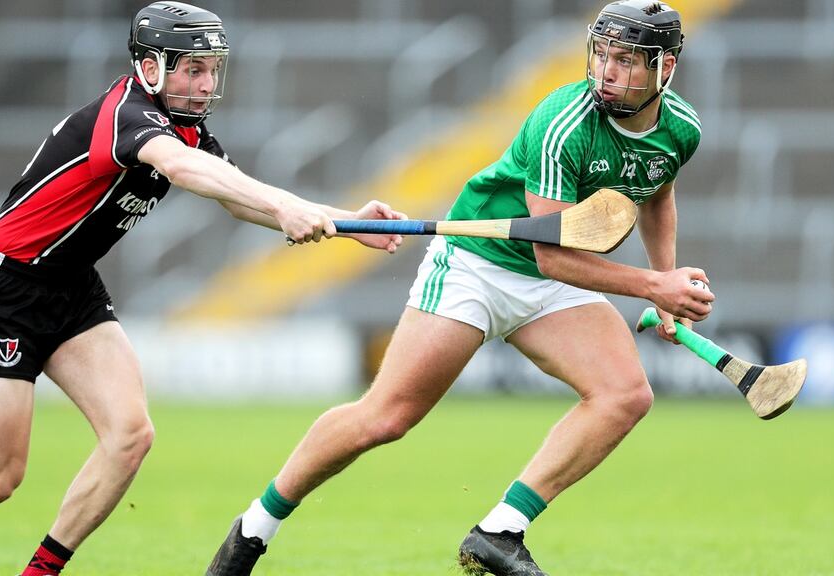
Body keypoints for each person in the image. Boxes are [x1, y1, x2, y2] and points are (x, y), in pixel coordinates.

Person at [0, 2, 405, 574]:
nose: (207, 84)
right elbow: (184, 171)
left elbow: (235, 196)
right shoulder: (129, 117)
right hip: (6, 286)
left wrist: (350, 222)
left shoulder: (186, 129)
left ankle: (41, 572)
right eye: (194, 69)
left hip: (72, 287)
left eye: (213, 70)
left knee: (129, 435)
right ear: (151, 67)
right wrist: (283, 207)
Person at [206, 1, 716, 575]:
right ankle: (253, 529)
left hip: (553, 281)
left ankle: (500, 532)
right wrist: (654, 286)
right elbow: (551, 255)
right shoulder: (564, 121)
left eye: (625, 60)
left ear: (664, 67)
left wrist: (665, 284)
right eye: (601, 54)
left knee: (625, 395)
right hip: (479, 264)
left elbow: (657, 193)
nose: (607, 70)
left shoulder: (681, 129)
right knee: (385, 417)